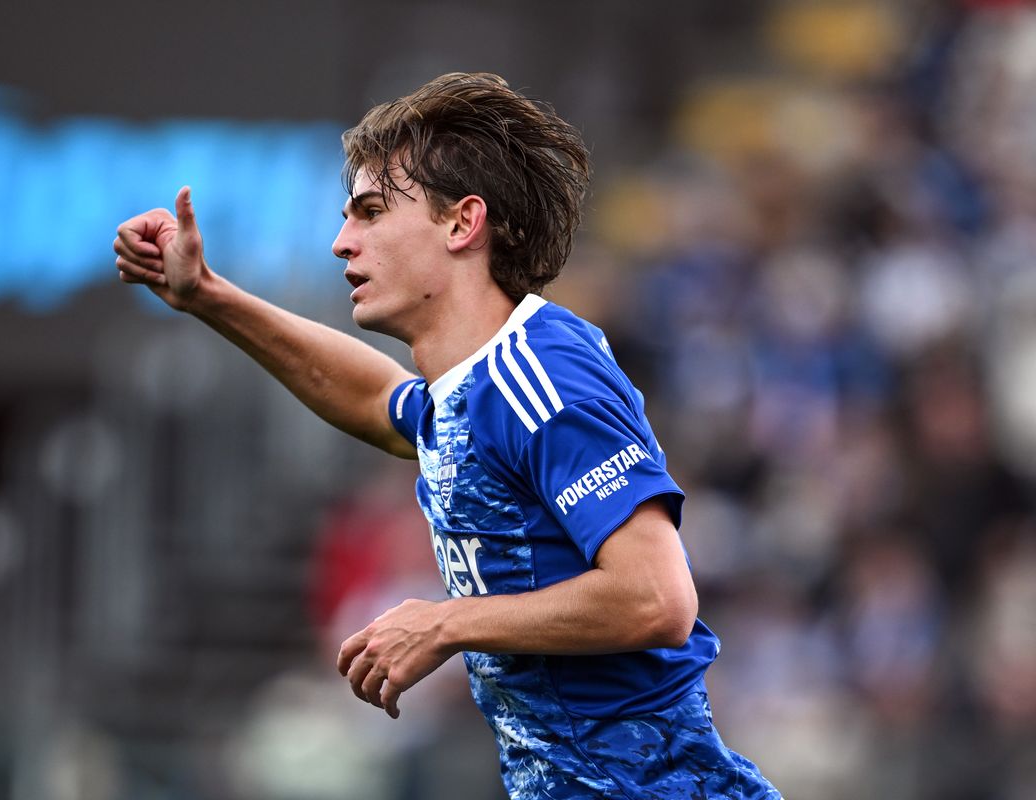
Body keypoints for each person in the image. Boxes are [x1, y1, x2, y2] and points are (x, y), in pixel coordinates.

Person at [114, 72, 780, 799]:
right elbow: (375, 399)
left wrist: (447, 624)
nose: (341, 243)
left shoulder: (543, 378)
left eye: (370, 212)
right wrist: (209, 296)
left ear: (463, 224)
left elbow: (656, 598)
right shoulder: (471, 391)